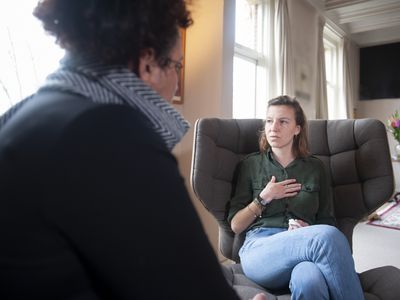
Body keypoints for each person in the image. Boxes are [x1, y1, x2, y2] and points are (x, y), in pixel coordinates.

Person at [0, 1, 267, 299]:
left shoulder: (22, 116)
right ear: (148, 62)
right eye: (177, 65)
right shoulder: (109, 133)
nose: (178, 80)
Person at [228, 95, 364, 300]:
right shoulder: (251, 165)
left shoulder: (316, 168)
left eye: (283, 121)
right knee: (327, 237)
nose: (274, 127)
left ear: (297, 129)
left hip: (304, 252)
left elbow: (326, 220)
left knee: (310, 280)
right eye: (269, 121)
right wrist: (263, 198)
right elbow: (236, 225)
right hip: (260, 250)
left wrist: (307, 231)